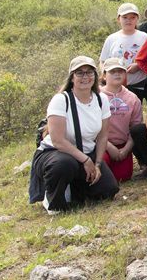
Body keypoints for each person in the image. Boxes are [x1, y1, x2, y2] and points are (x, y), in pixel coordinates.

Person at [29, 56, 119, 214]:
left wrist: (97, 164)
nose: (85, 77)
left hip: (87, 152)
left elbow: (103, 135)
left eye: (89, 72)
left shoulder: (101, 99)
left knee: (108, 190)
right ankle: (52, 199)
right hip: (57, 153)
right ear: (72, 77)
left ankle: (73, 189)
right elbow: (57, 140)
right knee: (65, 165)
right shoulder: (61, 100)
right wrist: (85, 160)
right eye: (80, 73)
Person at [100, 2, 147, 105]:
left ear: (137, 19)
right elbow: (103, 61)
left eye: (132, 17)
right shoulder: (111, 38)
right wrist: (104, 76)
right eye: (125, 17)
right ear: (118, 19)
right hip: (114, 86)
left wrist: (138, 66)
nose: (128, 20)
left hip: (138, 84)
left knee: (135, 114)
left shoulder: (145, 37)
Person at [100, 58, 143, 182]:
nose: (117, 74)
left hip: (123, 146)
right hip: (102, 144)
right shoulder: (96, 96)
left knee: (123, 177)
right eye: (112, 71)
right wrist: (108, 146)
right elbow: (91, 128)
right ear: (104, 75)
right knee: (103, 168)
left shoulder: (132, 98)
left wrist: (126, 150)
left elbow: (135, 127)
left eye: (120, 71)